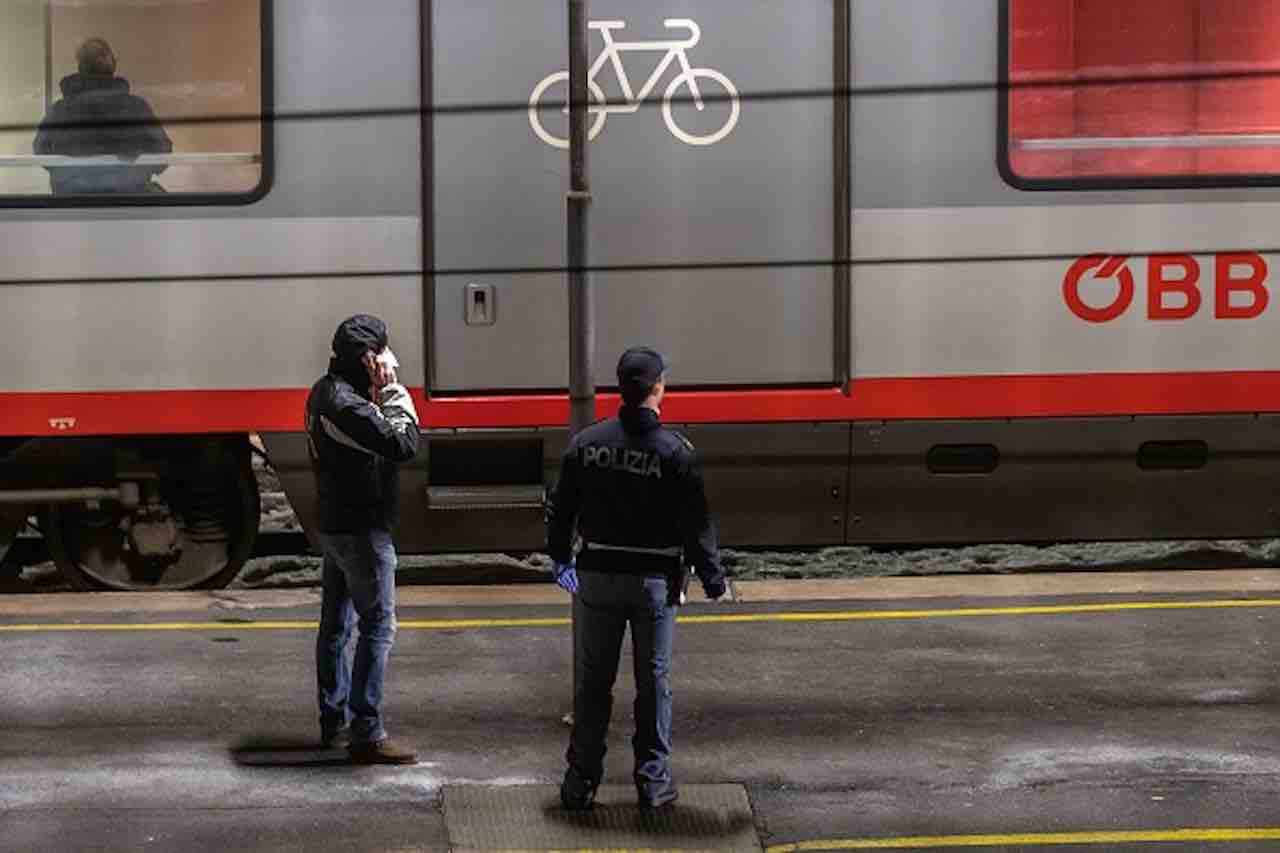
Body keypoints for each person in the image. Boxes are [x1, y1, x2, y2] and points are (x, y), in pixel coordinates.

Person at [546, 346, 727, 810]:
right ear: (658, 388)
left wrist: (560, 560)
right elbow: (697, 522)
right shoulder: (675, 452)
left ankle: (580, 781)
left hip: (597, 577)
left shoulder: (587, 443)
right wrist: (713, 579)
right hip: (653, 583)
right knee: (653, 684)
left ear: (621, 389)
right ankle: (653, 782)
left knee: (592, 683)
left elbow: (560, 508)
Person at [306, 315, 420, 764]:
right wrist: (393, 389)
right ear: (370, 359)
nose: (392, 357)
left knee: (336, 625)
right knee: (378, 626)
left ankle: (333, 722)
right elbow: (404, 442)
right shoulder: (346, 406)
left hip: (336, 525)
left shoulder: (326, 390)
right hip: (360, 530)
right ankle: (366, 732)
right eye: (385, 350)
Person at [33, 37, 173, 194]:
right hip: (129, 202)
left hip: (72, 202)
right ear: (112, 65)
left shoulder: (59, 111)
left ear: (80, 66)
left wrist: (70, 172)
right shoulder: (137, 108)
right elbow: (162, 156)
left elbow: (41, 152)